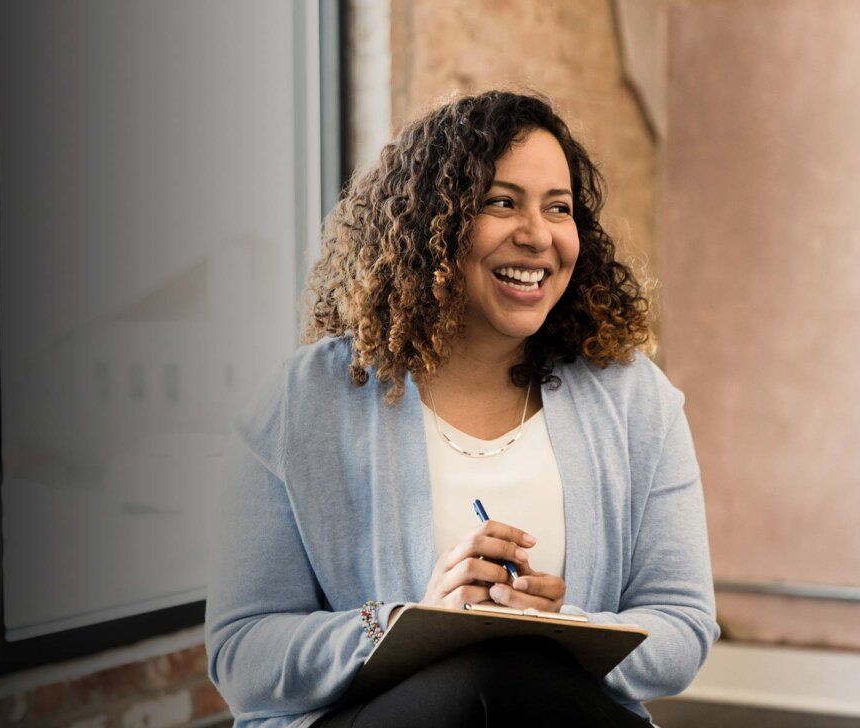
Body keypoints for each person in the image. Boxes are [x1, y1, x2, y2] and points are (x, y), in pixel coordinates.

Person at [204, 91, 719, 727]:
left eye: (558, 209)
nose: (536, 235)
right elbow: (241, 656)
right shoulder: (302, 402)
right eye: (501, 202)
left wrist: (563, 629)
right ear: (431, 223)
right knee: (489, 678)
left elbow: (684, 626)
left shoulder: (637, 401)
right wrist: (406, 625)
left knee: (519, 674)